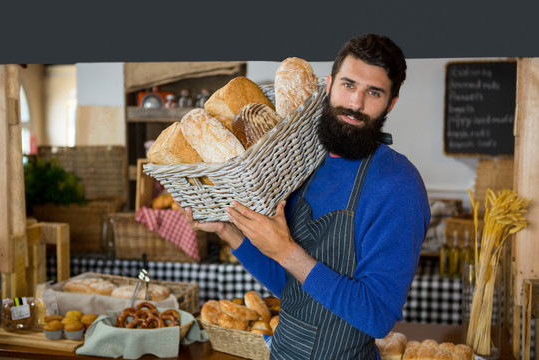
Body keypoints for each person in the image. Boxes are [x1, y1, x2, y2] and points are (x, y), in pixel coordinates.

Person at [181, 33, 431, 360]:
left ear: (390, 103)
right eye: (348, 85)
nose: (356, 103)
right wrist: (230, 232)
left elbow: (377, 317)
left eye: (373, 92)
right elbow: (291, 288)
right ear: (328, 86)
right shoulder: (304, 163)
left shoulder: (398, 185)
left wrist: (286, 252)